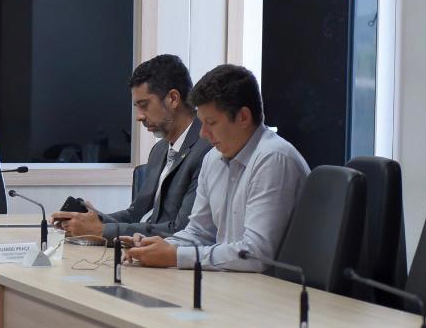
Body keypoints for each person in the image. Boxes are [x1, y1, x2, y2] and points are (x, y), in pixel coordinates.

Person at [125, 64, 308, 271]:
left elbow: (255, 254)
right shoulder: (213, 158)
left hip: (270, 286)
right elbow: (199, 233)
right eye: (201, 123)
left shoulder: (273, 158)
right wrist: (157, 247)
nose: (202, 134)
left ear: (243, 117)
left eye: (211, 123)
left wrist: (175, 256)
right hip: (232, 280)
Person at [51, 54, 210, 240]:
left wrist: (100, 230)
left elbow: (182, 230)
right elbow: (136, 215)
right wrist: (94, 219)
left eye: (144, 105)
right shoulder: (159, 150)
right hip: (143, 250)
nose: (139, 116)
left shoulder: (207, 150)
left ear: (173, 98)